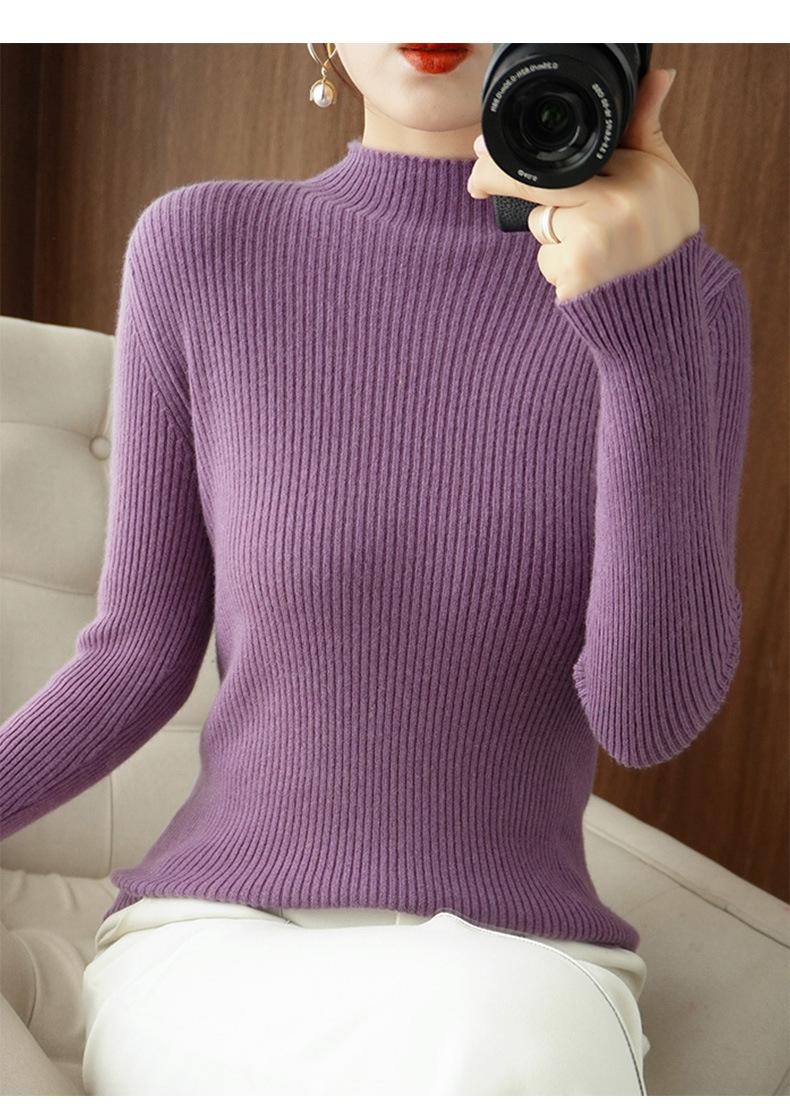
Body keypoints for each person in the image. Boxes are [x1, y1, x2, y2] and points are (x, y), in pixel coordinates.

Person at [0, 43, 751, 1095]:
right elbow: (135, 656)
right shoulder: (202, 246)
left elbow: (646, 717)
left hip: (516, 967)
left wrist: (642, 333)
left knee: (498, 1047)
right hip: (218, 942)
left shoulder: (685, 299)